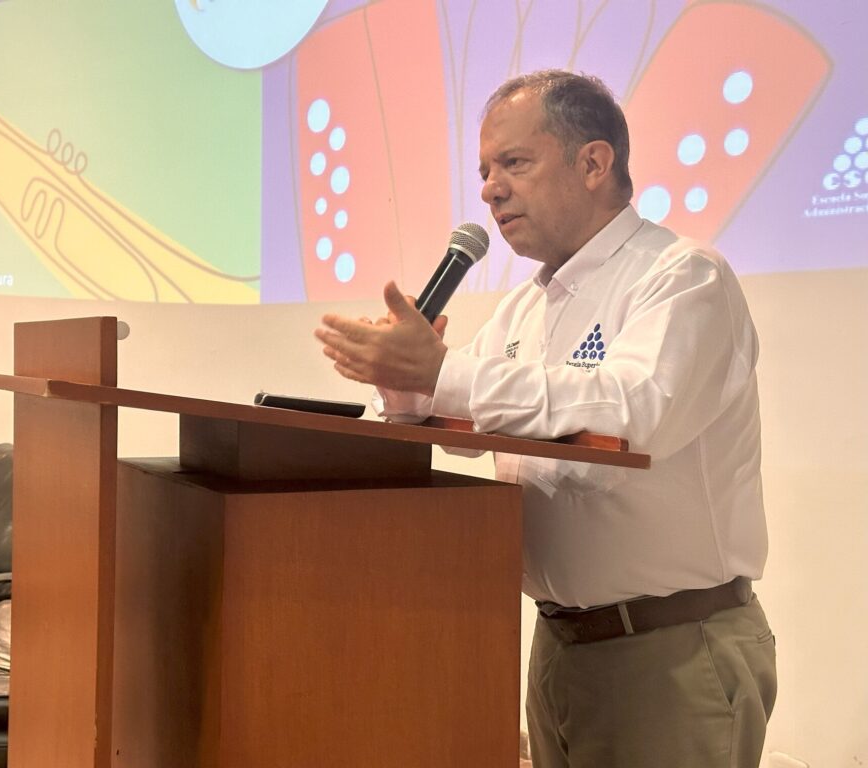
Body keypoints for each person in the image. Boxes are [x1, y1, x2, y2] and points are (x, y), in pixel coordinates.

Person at [314, 70, 776, 767]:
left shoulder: (681, 278)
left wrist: (440, 373)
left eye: (513, 163)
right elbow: (473, 420)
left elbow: (631, 412)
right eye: (484, 172)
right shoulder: (527, 305)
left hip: (671, 650)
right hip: (559, 645)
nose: (490, 190)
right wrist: (409, 393)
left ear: (593, 163)